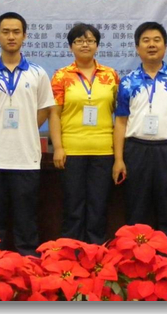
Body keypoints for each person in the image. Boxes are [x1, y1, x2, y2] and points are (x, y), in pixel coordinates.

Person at [0, 12, 54, 256]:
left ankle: (27, 260)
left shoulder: (37, 73)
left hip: (26, 157)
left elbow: (44, 109)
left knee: (26, 216)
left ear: (24, 36)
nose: (11, 36)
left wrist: (25, 127)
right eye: (5, 32)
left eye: (16, 32)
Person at [112, 21, 167, 246]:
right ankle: (134, 257)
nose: (152, 45)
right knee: (136, 208)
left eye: (157, 40)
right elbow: (120, 122)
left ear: (165, 47)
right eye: (146, 41)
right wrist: (119, 159)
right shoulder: (127, 82)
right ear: (137, 48)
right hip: (136, 150)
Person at [49, 24, 120, 244]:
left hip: (103, 150)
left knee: (98, 206)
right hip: (72, 150)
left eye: (90, 40)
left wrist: (118, 155)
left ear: (97, 45)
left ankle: (96, 252)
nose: (85, 45)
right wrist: (58, 147)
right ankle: (71, 252)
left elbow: (119, 115)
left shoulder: (111, 75)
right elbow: (54, 114)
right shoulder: (61, 76)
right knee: (73, 207)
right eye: (79, 41)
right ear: (71, 46)